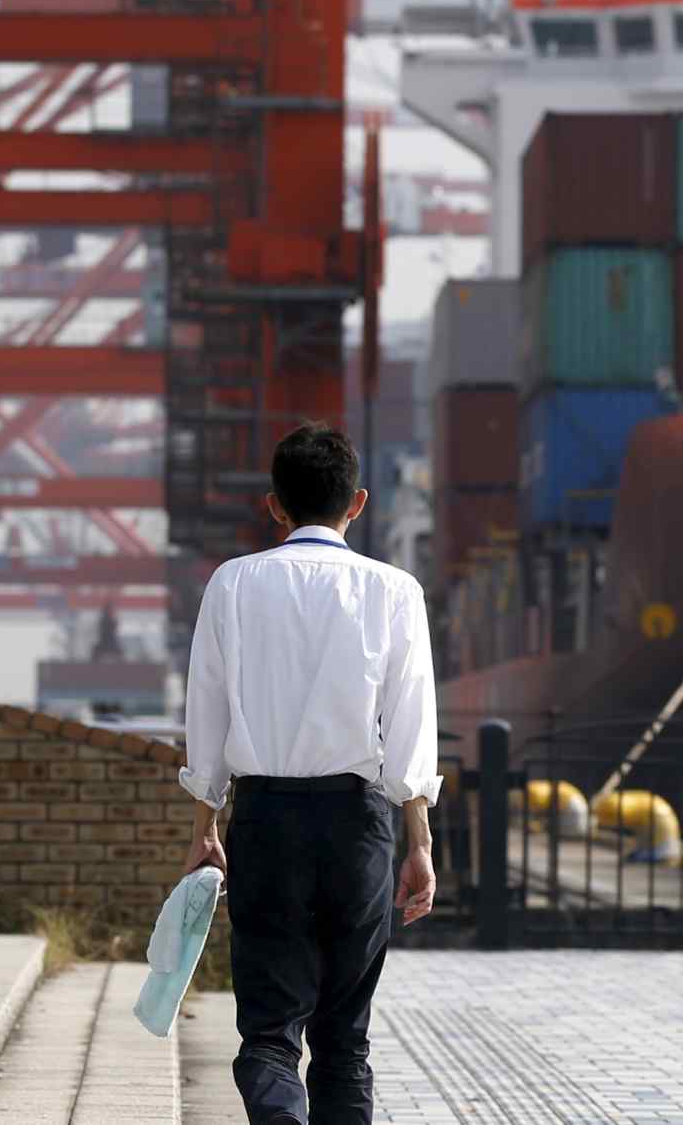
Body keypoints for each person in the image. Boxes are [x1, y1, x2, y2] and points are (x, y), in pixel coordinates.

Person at [179, 423, 442, 1125]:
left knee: (269, 1032)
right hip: (358, 825)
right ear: (357, 502)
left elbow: (206, 712)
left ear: (274, 505)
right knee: (344, 1040)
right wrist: (419, 844)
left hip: (266, 820)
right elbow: (411, 728)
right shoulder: (396, 590)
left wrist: (205, 827)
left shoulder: (233, 583)